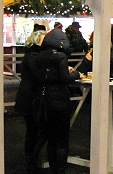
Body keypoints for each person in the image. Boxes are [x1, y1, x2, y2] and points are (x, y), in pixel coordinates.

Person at [33, 28, 80, 174]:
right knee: (62, 138)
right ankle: (59, 169)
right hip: (59, 101)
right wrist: (75, 74)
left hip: (44, 100)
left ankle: (41, 163)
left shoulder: (40, 57)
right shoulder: (60, 57)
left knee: (50, 136)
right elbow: (65, 79)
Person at [14, 29, 47, 174]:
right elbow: (38, 75)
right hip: (31, 97)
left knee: (33, 129)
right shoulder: (35, 55)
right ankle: (32, 159)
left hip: (27, 95)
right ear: (38, 40)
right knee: (37, 129)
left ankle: (32, 158)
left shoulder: (30, 54)